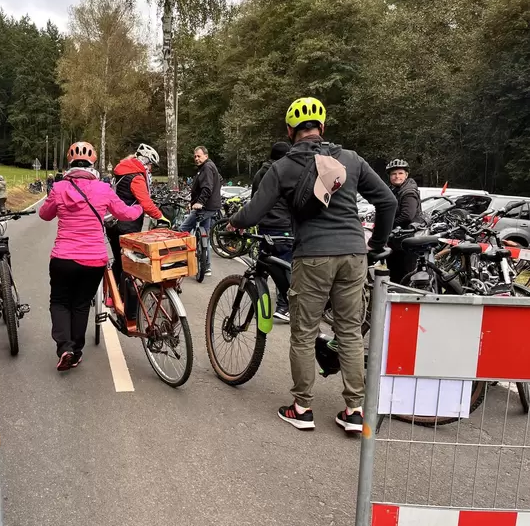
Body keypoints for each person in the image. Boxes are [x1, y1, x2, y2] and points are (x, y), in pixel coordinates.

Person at [228, 97, 396, 433]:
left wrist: (233, 222)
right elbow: (388, 201)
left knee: (303, 334)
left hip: (313, 255)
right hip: (353, 254)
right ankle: (354, 411)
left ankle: (302, 407)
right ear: (323, 127)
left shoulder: (283, 167)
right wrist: (375, 246)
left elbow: (253, 212)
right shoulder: (350, 159)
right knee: (348, 333)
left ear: (290, 131)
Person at [39, 142, 142, 371]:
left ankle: (64, 347)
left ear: (70, 163)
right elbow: (124, 213)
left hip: (63, 258)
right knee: (81, 304)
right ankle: (75, 352)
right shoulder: (104, 189)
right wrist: (140, 207)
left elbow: (44, 215)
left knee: (59, 301)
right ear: (93, 163)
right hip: (94, 260)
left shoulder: (59, 188)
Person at [107, 143, 170, 330]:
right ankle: (127, 307)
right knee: (129, 266)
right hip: (128, 224)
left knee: (119, 260)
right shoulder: (136, 177)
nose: (150, 169)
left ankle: (114, 297)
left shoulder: (121, 172)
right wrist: (161, 216)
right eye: (150, 165)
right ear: (145, 161)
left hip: (112, 223)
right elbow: (145, 202)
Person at [252, 141, 294, 322]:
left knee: (263, 267)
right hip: (284, 227)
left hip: (265, 226)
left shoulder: (260, 173)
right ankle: (284, 306)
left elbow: (255, 200)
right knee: (285, 267)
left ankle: (261, 308)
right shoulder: (287, 173)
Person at [179, 146, 222, 276]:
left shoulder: (207, 168)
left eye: (199, 156)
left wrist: (199, 202)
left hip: (204, 207)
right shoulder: (208, 167)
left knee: (183, 230)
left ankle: (182, 260)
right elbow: (219, 180)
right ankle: (206, 266)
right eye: (195, 156)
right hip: (210, 207)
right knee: (205, 235)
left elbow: (207, 188)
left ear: (206, 156)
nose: (196, 158)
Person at [386, 158, 424, 284]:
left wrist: (387, 225)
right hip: (397, 240)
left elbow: (407, 216)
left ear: (406, 175)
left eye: (400, 173)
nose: (397, 176)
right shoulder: (395, 190)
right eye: (393, 174)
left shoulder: (408, 192)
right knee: (395, 273)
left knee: (403, 276)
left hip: (406, 241)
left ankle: (404, 301)